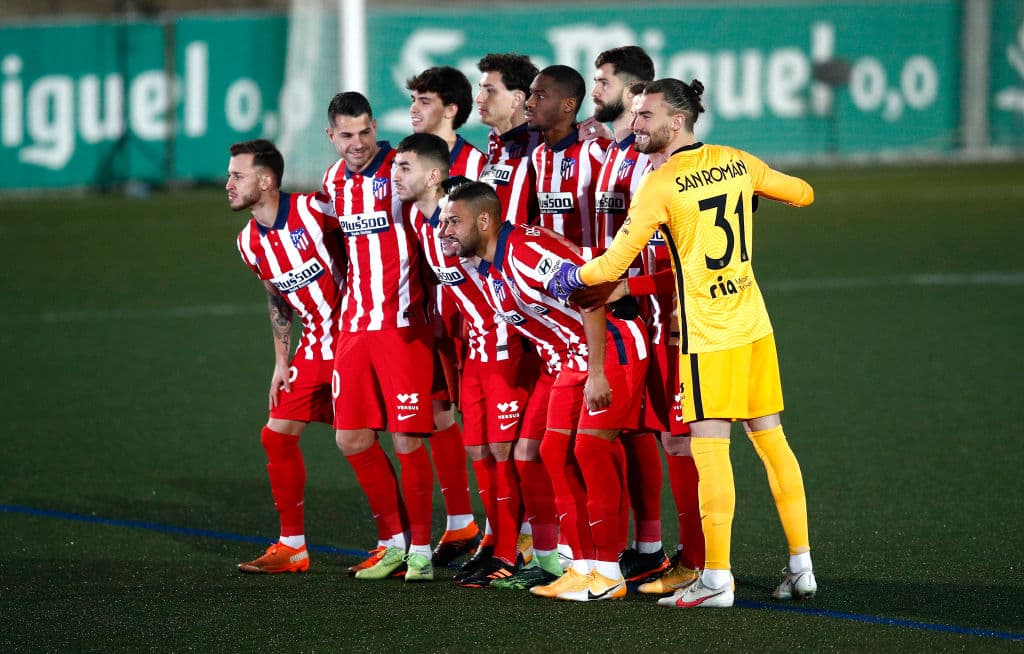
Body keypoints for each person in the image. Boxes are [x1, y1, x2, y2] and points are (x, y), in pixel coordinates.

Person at [547, 78, 816, 608]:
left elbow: (609, 265)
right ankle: (801, 567)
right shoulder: (736, 160)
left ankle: (716, 580)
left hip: (708, 335)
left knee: (712, 451)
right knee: (771, 442)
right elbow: (804, 193)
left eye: (644, 116)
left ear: (676, 122)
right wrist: (750, 191)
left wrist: (567, 279)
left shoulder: (662, 185)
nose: (634, 125)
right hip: (754, 325)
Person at [440, 181, 651, 602]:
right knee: (553, 454)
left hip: (611, 349)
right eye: (443, 220)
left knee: (591, 452)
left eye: (453, 221)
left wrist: (595, 372)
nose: (444, 229)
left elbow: (588, 297)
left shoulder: (523, 253)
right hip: (572, 361)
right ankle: (582, 567)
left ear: (484, 221)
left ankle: (608, 571)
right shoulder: (491, 262)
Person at [392, 134, 543, 587]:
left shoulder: (456, 222)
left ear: (433, 178)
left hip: (504, 344)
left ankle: (523, 545)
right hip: (474, 351)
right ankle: (497, 538)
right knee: (478, 448)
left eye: (404, 168)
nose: (394, 177)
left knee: (506, 451)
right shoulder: (424, 226)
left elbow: (500, 272)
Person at [321, 91, 437, 582]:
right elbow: (337, 248)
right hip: (354, 329)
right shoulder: (332, 181)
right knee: (350, 438)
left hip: (402, 329)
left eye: (365, 131)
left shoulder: (400, 169)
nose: (358, 142)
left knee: (408, 440)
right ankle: (390, 542)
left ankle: (422, 552)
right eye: (347, 134)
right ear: (331, 136)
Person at [581, 47, 679, 586]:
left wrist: (633, 285)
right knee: (642, 430)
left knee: (681, 438)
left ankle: (698, 561)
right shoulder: (613, 152)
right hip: (624, 315)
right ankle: (649, 550)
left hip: (669, 320)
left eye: (604, 82)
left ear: (635, 91)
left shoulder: (657, 162)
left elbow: (682, 257)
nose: (596, 91)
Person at [228, 139, 343, 574]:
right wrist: (282, 361)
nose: (228, 184)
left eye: (238, 176)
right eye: (229, 175)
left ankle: (413, 540)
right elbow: (278, 298)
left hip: (356, 336)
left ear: (267, 179)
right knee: (276, 435)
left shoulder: (315, 210)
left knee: (372, 438)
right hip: (314, 345)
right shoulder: (248, 244)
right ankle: (292, 545)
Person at [407, 65, 488, 566]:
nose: (415, 109)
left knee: (486, 424)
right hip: (431, 311)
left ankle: (518, 533)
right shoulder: (408, 162)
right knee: (440, 412)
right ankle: (460, 522)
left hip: (477, 311)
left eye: (425, 100)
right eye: (413, 99)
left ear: (451, 109)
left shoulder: (476, 163)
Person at [525, 65, 609, 247]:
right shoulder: (538, 155)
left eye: (539, 96)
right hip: (550, 271)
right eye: (531, 94)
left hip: (590, 270)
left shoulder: (595, 151)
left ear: (568, 105)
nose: (529, 102)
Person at [476, 53, 542, 226]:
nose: (479, 98)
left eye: (490, 91)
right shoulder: (494, 144)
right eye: (480, 89)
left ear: (517, 99)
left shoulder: (544, 146)